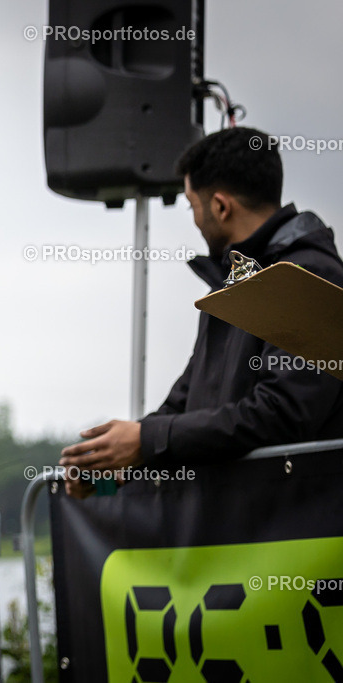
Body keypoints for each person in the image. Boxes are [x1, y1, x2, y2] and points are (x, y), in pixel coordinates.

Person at [60, 126, 343, 494]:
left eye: (193, 205)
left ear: (221, 206)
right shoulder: (233, 284)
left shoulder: (308, 275)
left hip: (295, 531)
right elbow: (187, 402)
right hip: (241, 530)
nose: (194, 221)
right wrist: (109, 464)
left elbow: (281, 414)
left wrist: (146, 439)